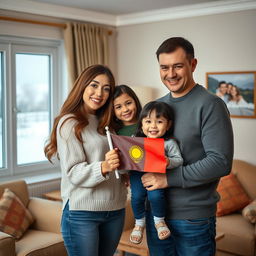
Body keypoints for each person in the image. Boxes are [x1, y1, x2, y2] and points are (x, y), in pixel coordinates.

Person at [141, 37, 234, 256]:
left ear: (192, 65)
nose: (170, 74)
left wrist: (167, 179)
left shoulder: (211, 105)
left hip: (193, 218)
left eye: (178, 66)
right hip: (156, 215)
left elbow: (220, 162)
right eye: (164, 67)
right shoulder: (158, 108)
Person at [44, 64, 127, 256]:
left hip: (115, 210)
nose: (100, 93)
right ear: (82, 86)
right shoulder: (69, 123)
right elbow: (74, 172)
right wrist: (105, 166)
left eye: (106, 89)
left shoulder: (109, 123)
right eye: (94, 85)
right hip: (82, 214)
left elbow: (116, 162)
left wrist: (123, 173)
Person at [129, 101, 183, 244]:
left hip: (157, 174)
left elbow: (179, 160)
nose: (153, 126)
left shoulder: (169, 143)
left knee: (156, 196)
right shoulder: (136, 139)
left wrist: (168, 162)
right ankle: (139, 223)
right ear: (141, 124)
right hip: (137, 174)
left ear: (168, 125)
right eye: (148, 121)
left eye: (159, 121)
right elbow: (129, 157)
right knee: (137, 197)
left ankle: (159, 221)